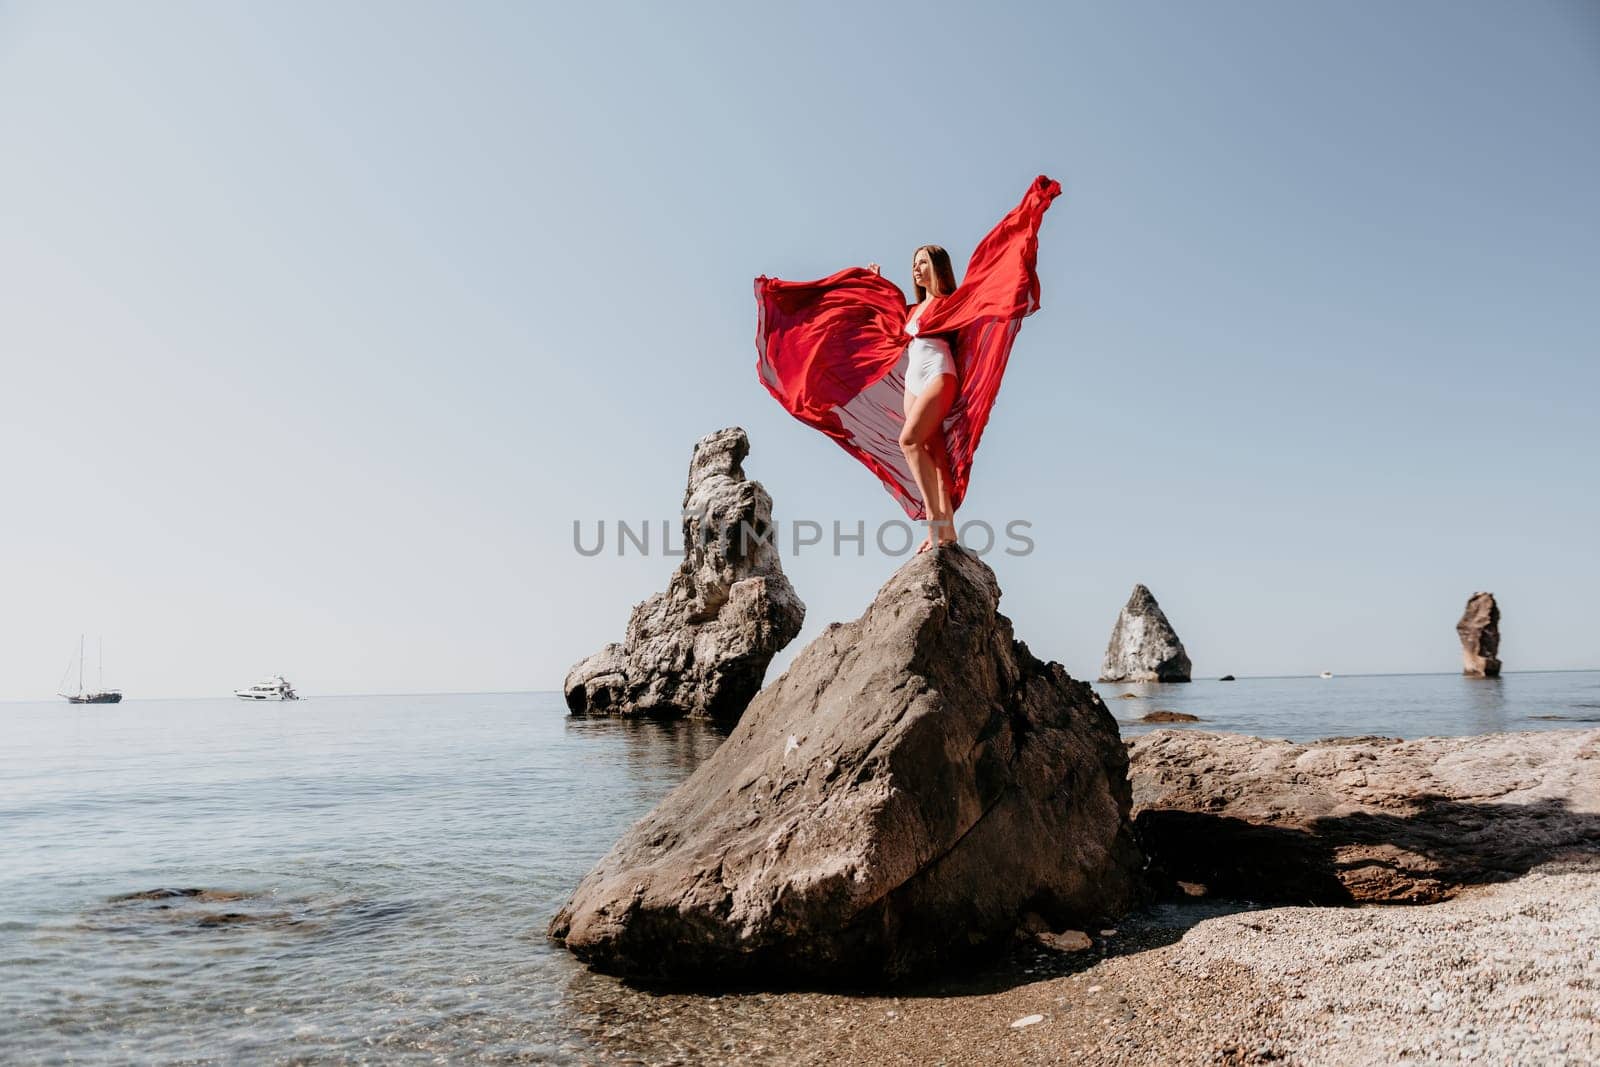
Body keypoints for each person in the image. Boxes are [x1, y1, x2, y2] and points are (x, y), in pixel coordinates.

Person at [754, 176, 1061, 554]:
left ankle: (937, 527)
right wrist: (874, 285)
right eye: (913, 264)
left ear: (937, 267)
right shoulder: (912, 311)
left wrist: (1030, 210)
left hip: (939, 374)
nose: (916, 270)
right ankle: (945, 529)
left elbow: (988, 285)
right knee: (931, 452)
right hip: (914, 382)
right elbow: (881, 322)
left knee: (908, 440)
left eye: (922, 263)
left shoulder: (951, 303)